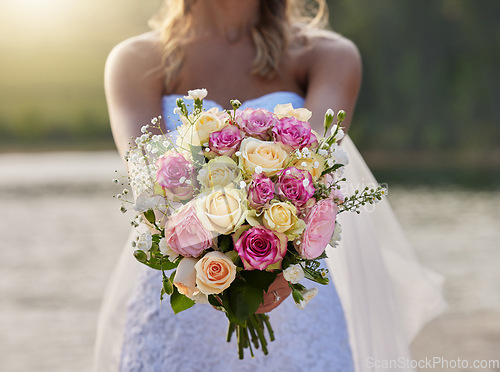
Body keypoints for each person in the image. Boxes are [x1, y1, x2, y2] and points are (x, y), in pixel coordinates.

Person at [95, 1, 446, 371]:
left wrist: (270, 256)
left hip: (292, 292)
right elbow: (148, 178)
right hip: (179, 290)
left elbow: (314, 170)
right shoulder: (136, 59)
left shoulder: (328, 56)